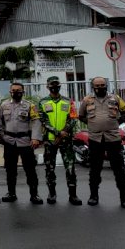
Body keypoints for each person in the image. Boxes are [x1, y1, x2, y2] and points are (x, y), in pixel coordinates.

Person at [77, 77, 125, 209]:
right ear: (93, 87)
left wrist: (115, 123)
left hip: (113, 138)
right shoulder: (87, 100)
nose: (100, 87)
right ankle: (93, 196)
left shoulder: (115, 98)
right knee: (95, 169)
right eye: (97, 85)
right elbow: (81, 115)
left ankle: (124, 199)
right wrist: (93, 124)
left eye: (102, 85)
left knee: (119, 169)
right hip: (95, 139)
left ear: (106, 85)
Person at [0, 82, 44, 204]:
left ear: (23, 92)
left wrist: (35, 138)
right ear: (10, 92)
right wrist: (1, 136)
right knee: (10, 170)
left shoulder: (30, 106)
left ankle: (34, 195)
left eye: (19, 90)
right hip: (9, 142)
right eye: (13, 90)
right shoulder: (4, 105)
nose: (16, 92)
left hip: (25, 142)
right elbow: (0, 123)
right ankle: (11, 193)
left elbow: (36, 122)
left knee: (30, 170)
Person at [38, 77, 82, 205]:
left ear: (60, 85)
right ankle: (52, 194)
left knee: (70, 168)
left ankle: (73, 195)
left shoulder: (68, 101)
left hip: (66, 140)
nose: (54, 86)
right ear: (47, 86)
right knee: (49, 168)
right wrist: (57, 133)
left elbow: (73, 118)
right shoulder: (43, 102)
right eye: (52, 84)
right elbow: (43, 120)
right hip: (50, 141)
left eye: (56, 84)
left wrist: (63, 133)